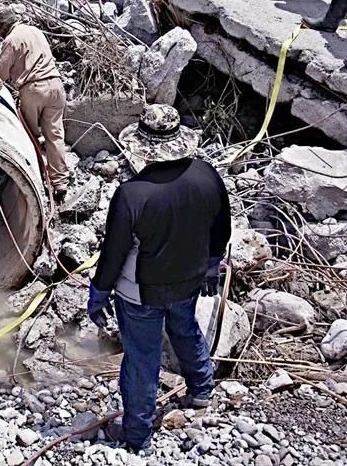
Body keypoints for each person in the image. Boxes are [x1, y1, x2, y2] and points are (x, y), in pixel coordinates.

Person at [88, 104, 231, 454]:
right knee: (184, 328)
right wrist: (211, 265)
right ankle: (201, 390)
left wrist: (99, 292)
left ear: (141, 145)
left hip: (141, 293)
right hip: (189, 281)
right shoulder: (207, 175)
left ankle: (138, 436)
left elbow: (114, 252)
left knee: (142, 357)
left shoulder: (132, 194)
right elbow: (222, 228)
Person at [0, 6, 70, 202]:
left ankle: (34, 181)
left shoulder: (11, 40)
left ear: (1, 26)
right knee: (55, 136)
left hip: (33, 89)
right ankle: (60, 182)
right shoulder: (35, 31)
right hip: (56, 85)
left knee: (29, 137)